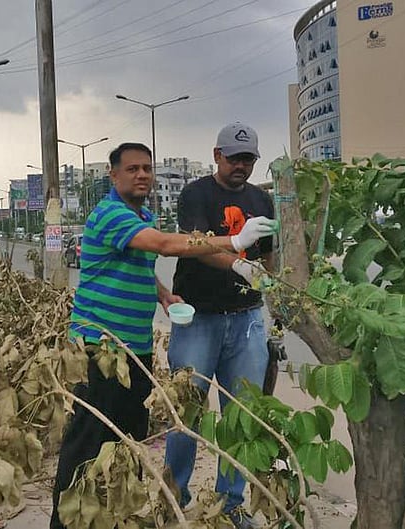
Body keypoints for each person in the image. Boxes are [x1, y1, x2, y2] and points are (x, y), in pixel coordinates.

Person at [50, 142, 276, 529]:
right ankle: (65, 522)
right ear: (114, 174)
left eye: (147, 168)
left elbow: (142, 262)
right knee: (88, 440)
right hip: (99, 347)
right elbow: (165, 245)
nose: (142, 175)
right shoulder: (110, 214)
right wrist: (234, 245)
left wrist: (164, 295)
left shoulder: (143, 214)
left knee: (128, 440)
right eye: (132, 168)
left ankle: (115, 516)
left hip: (133, 349)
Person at [164, 122, 276, 528]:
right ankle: (174, 496)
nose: (241, 166)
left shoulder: (262, 200)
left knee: (241, 415)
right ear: (217, 156)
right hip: (199, 318)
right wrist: (238, 265)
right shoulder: (196, 194)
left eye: (248, 159)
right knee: (186, 411)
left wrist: (273, 300)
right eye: (234, 159)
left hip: (246, 320)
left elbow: (269, 255)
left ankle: (230, 504)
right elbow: (194, 245)